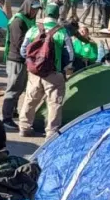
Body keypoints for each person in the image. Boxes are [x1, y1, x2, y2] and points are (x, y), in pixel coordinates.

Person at [18, 8, 74, 138]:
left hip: (34, 73)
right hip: (54, 73)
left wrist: (32, 64)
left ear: (45, 14)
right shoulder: (62, 32)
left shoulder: (33, 29)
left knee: (30, 99)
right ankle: (51, 132)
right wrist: (63, 68)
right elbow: (70, 55)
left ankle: (24, 127)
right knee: (54, 103)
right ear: (57, 15)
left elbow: (23, 50)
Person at [1, 0, 42, 130]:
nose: (35, 12)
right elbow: (18, 43)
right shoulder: (18, 21)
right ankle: (6, 118)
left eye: (37, 10)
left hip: (24, 59)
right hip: (16, 59)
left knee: (19, 87)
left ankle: (13, 111)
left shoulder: (29, 20)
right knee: (12, 89)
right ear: (28, 7)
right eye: (33, 9)